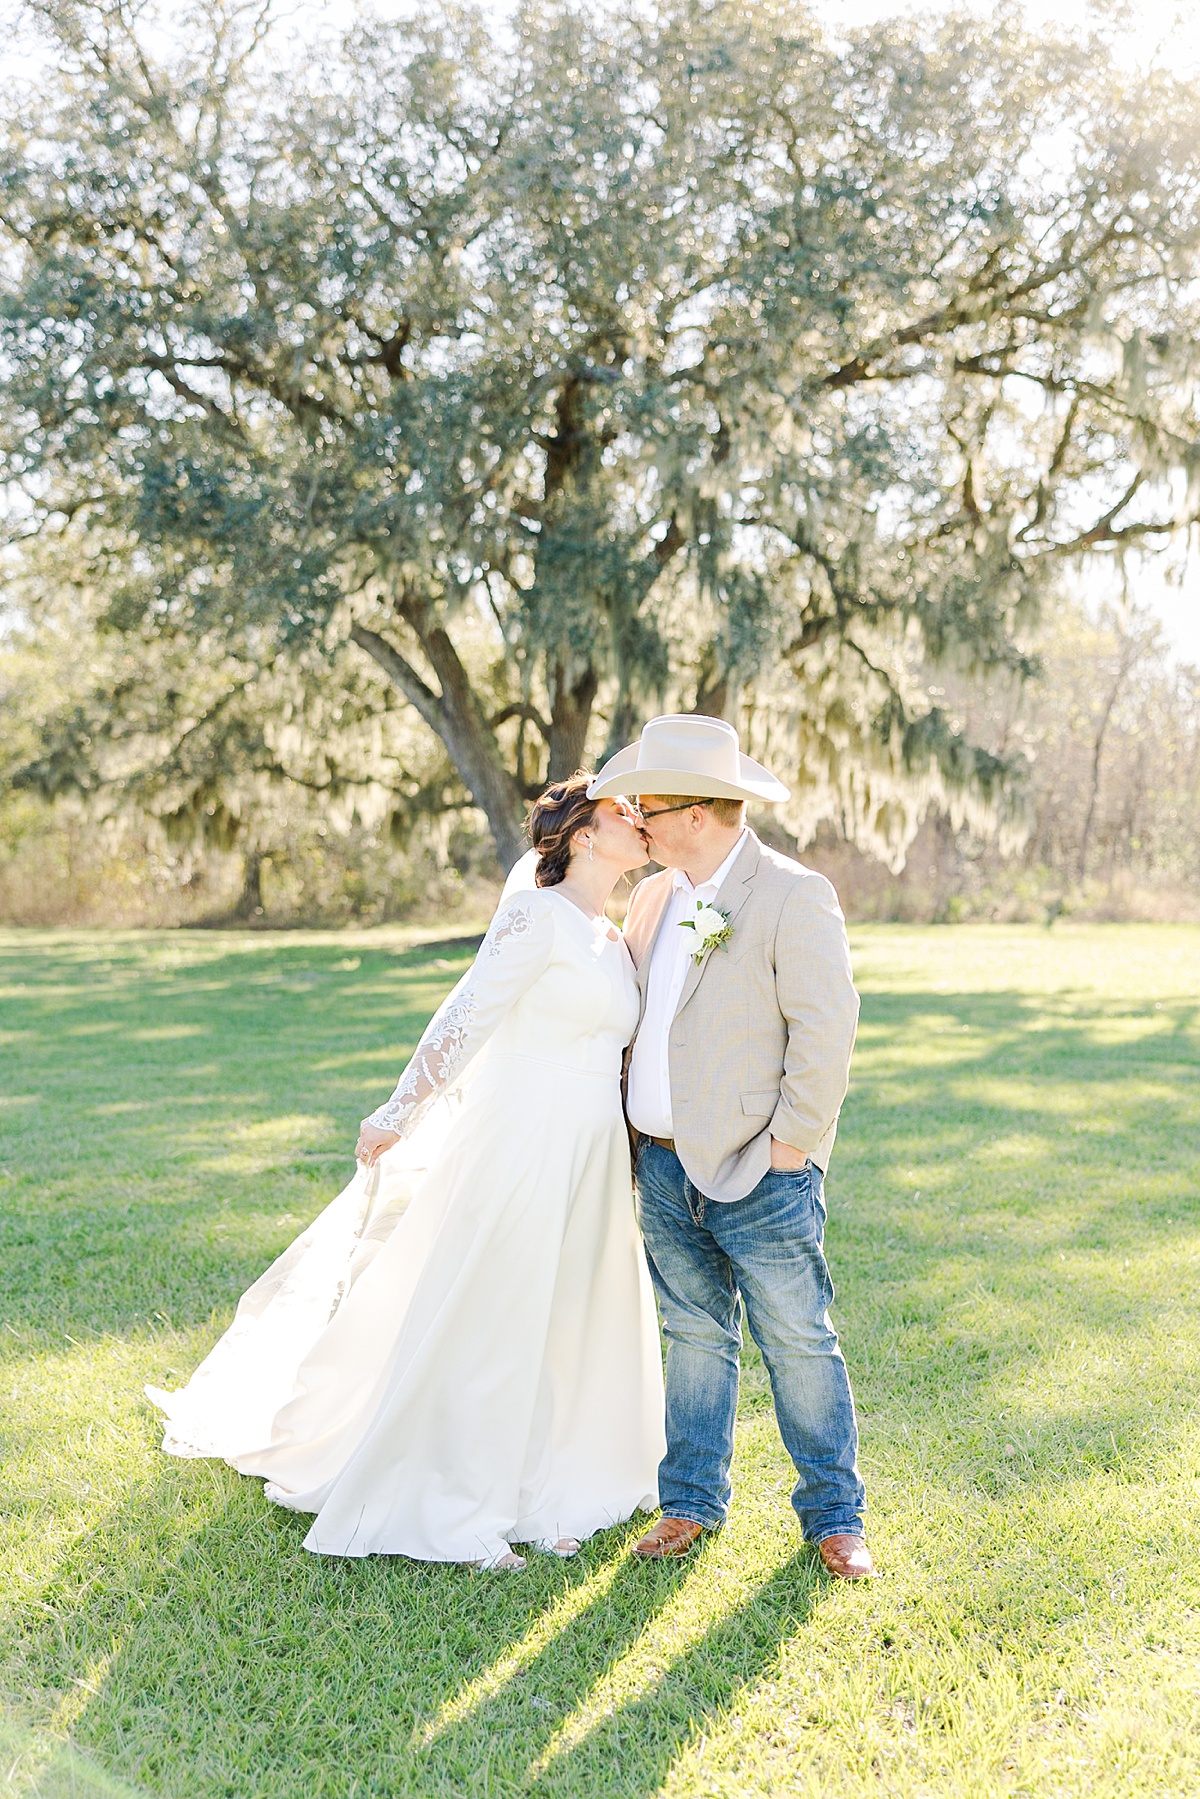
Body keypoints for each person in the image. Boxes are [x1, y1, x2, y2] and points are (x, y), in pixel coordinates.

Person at [148, 779, 665, 1571]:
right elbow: (465, 1014)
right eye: (623, 814)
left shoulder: (611, 933)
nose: (641, 821)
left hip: (590, 1148)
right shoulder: (536, 914)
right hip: (526, 1135)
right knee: (500, 1310)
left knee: (566, 1312)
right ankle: (465, 1498)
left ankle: (550, 1485)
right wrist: (400, 1110)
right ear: (584, 838)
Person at [587, 714, 875, 1579]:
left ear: (700, 814)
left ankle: (834, 1515)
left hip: (762, 1167)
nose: (637, 817)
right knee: (694, 1336)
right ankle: (689, 1505)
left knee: (797, 1340)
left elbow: (826, 1031)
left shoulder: (793, 893)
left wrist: (790, 1147)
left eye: (651, 805)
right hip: (664, 1166)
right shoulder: (653, 895)